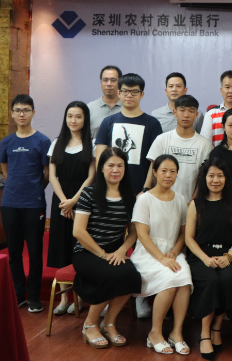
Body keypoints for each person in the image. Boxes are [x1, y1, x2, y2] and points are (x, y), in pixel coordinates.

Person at [72, 147, 141, 349]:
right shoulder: (89, 193)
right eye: (110, 165)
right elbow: (78, 232)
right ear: (101, 168)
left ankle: (108, 323)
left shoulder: (129, 197)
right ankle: (89, 325)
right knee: (111, 275)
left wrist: (122, 250)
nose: (115, 170)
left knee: (133, 276)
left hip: (115, 251)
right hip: (86, 252)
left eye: (120, 165)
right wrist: (102, 254)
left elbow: (133, 232)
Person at [131, 155, 193, 354]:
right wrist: (162, 259)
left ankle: (176, 333)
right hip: (148, 253)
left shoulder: (180, 199)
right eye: (164, 171)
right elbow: (142, 234)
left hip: (172, 252)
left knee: (184, 278)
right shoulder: (144, 199)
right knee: (170, 278)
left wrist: (174, 252)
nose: (168, 175)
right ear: (155, 173)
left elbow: (183, 233)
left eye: (173, 171)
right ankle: (155, 332)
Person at [185, 157, 232, 360]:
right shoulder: (196, 204)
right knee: (210, 280)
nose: (215, 180)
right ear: (204, 178)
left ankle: (216, 328)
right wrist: (204, 258)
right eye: (211, 175)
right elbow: (189, 238)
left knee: (228, 279)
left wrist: (230, 255)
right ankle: (204, 334)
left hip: (227, 255)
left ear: (226, 178)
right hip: (201, 256)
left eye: (220, 175)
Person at [0, 94, 52, 312]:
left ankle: (34, 296)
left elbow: (48, 172)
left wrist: (36, 189)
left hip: (34, 204)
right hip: (10, 203)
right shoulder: (6, 142)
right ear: (12, 114)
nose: (22, 114)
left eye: (26, 110)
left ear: (33, 113)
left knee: (35, 251)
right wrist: (15, 187)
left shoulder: (42, 141)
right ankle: (19, 294)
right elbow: (5, 170)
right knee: (13, 252)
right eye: (18, 110)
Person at [47, 101, 96, 316]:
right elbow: (52, 176)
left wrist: (74, 200)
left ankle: (80, 296)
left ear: (85, 119)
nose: (73, 120)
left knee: (79, 246)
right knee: (61, 246)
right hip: (61, 200)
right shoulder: (56, 143)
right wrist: (64, 201)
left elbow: (91, 176)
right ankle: (64, 299)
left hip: (82, 200)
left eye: (78, 116)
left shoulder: (91, 144)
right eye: (70, 116)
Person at [96, 73, 163, 194]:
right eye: (125, 91)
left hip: (141, 191)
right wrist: (104, 186)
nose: (129, 95)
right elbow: (100, 158)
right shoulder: (108, 122)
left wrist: (146, 189)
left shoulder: (153, 124)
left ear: (142, 94)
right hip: (110, 190)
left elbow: (155, 161)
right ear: (119, 93)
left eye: (134, 92)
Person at [145, 95, 212, 203]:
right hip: (161, 201)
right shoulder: (162, 139)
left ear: (196, 114)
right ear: (175, 112)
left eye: (191, 111)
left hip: (190, 203)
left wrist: (193, 201)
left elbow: (203, 177)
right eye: (182, 110)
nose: (186, 115)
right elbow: (153, 170)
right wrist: (146, 189)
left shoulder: (204, 144)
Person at [88, 65, 123, 139]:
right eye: (105, 80)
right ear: (101, 83)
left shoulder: (127, 107)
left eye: (113, 80)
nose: (109, 84)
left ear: (120, 83)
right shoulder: (90, 108)